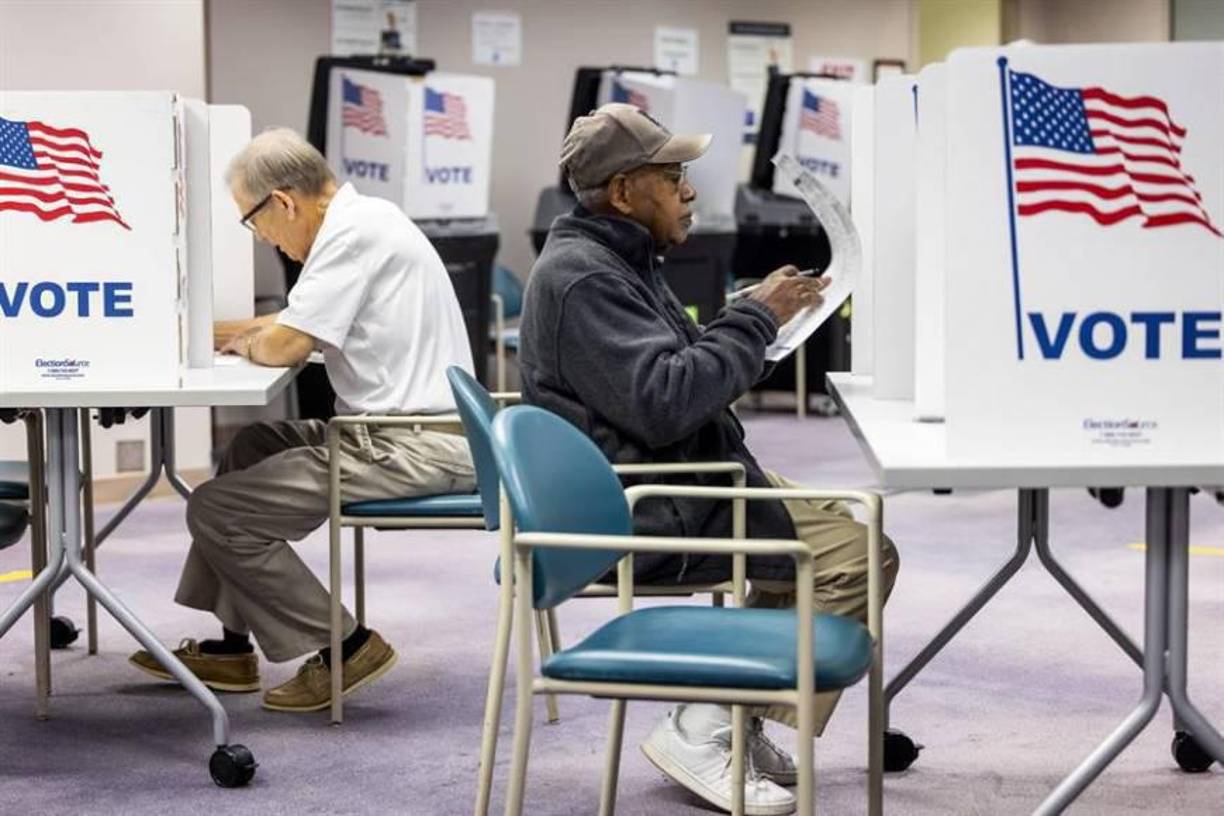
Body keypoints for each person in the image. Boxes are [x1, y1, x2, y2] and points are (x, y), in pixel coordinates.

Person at [518, 103, 900, 815]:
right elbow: (665, 401)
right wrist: (753, 319)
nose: (689, 191)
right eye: (672, 177)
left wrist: (752, 317)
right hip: (648, 503)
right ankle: (706, 724)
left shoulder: (615, 258)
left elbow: (669, 371)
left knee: (842, 530)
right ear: (624, 192)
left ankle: (734, 719)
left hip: (677, 475)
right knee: (856, 555)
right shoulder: (586, 279)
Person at [129, 128, 477, 713]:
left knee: (215, 509)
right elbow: (284, 325)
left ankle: (347, 647)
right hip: (396, 431)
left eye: (253, 221)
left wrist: (247, 340)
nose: (262, 237)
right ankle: (232, 648)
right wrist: (222, 334)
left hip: (410, 445)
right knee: (252, 445)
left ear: (283, 202)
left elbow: (284, 344)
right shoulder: (363, 220)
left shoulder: (349, 236)